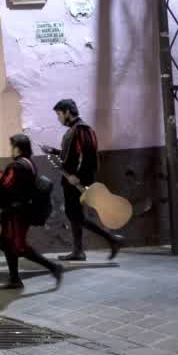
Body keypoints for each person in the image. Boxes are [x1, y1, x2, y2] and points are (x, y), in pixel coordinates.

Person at [0, 134, 63, 290]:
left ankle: (53, 267)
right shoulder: (29, 163)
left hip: (16, 213)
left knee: (19, 246)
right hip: (20, 210)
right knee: (7, 243)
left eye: (12, 146)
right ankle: (14, 279)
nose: (11, 149)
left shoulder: (16, 166)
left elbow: (4, 188)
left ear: (17, 148)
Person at [50, 99, 123, 261]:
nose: (58, 118)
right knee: (74, 214)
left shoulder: (82, 129)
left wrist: (78, 177)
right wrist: (54, 151)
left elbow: (89, 154)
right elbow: (71, 154)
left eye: (59, 114)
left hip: (76, 181)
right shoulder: (74, 130)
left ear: (67, 112)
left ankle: (112, 240)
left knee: (76, 215)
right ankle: (80, 251)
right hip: (71, 179)